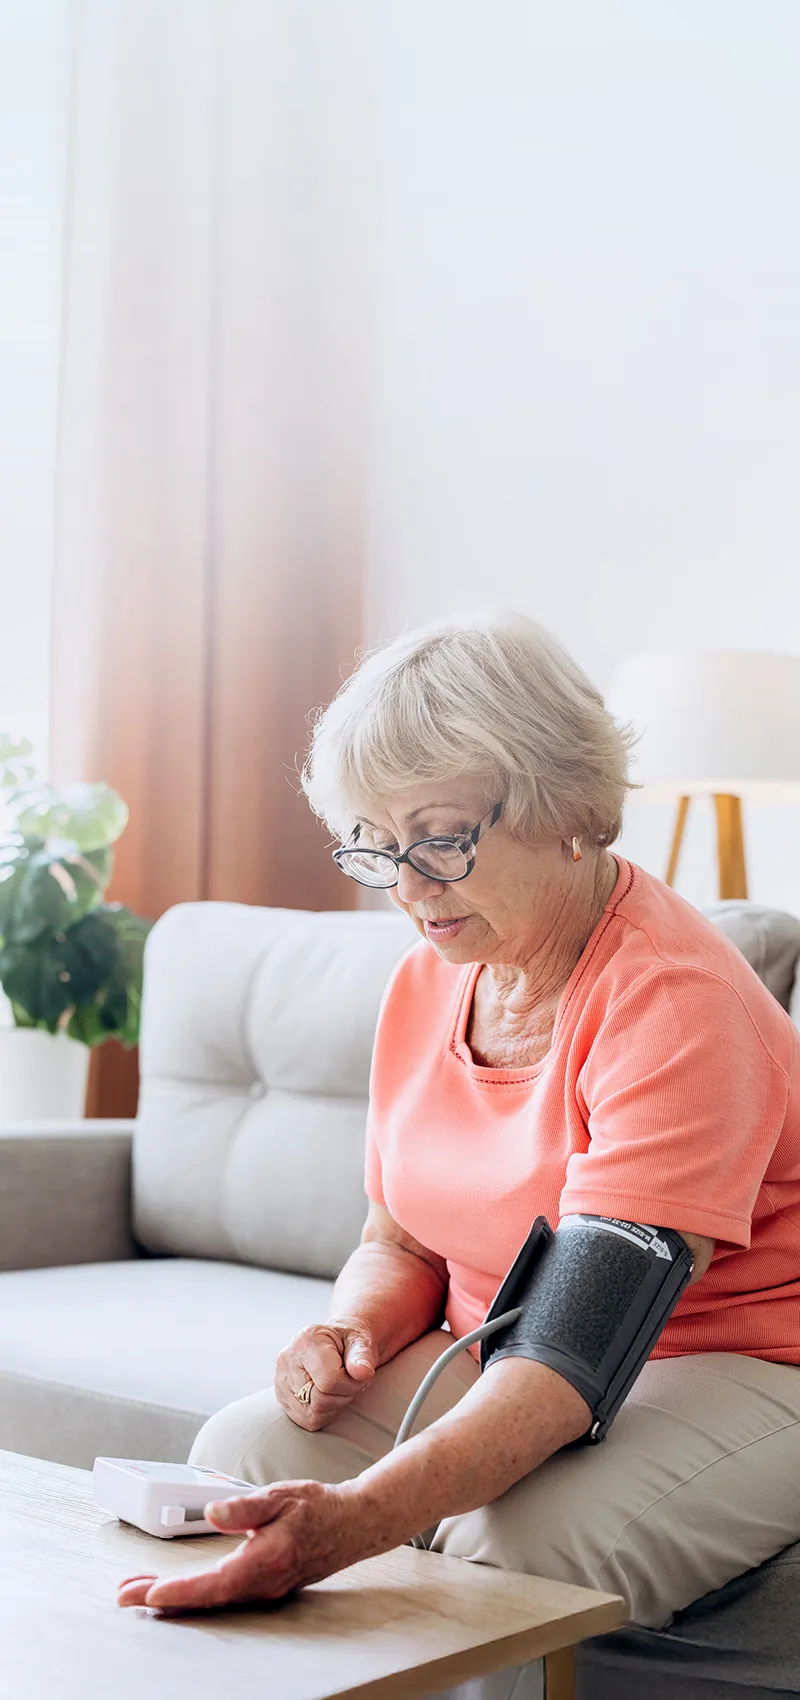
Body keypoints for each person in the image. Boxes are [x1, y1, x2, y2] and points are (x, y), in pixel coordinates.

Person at [119, 609, 800, 1648]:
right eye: (379, 847)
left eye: (438, 838)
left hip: (742, 1356)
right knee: (243, 1454)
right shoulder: (427, 979)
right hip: (506, 1347)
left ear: (563, 805)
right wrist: (352, 1329)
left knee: (519, 1547)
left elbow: (576, 1346)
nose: (407, 888)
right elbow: (397, 1238)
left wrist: (359, 1518)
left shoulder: (672, 1000)